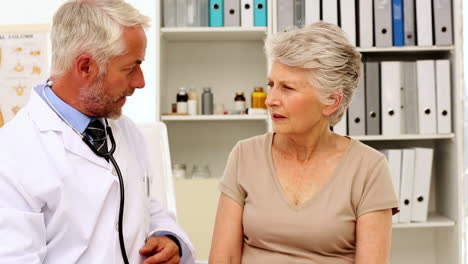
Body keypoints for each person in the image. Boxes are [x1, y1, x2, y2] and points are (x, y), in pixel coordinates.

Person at [0, 0, 195, 263]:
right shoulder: (13, 153)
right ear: (85, 67)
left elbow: (145, 206)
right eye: (130, 68)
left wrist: (168, 237)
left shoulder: (125, 131)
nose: (140, 82)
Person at [209, 22, 399, 264]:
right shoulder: (245, 155)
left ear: (330, 101)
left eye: (287, 88)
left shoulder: (369, 168)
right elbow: (224, 258)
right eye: (271, 85)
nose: (270, 100)